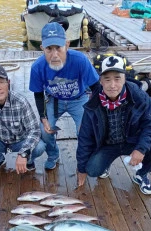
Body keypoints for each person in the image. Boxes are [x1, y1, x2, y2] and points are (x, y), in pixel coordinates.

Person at [76, 55, 151, 195]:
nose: (112, 85)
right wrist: (81, 169)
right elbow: (85, 138)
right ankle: (106, 164)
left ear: (124, 78)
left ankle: (141, 174)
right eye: (107, 79)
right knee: (92, 170)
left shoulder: (138, 96)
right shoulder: (92, 105)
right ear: (101, 81)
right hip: (108, 145)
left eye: (117, 78)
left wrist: (141, 149)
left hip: (133, 142)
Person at [29, 22, 99, 170]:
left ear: (67, 45)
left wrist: (93, 112)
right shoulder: (37, 67)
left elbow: (96, 87)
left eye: (58, 48)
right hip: (54, 100)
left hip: (79, 99)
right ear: (42, 48)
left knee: (85, 130)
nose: (54, 55)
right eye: (49, 49)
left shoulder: (80, 60)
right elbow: (38, 94)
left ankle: (84, 158)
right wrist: (43, 118)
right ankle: (53, 155)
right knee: (45, 131)